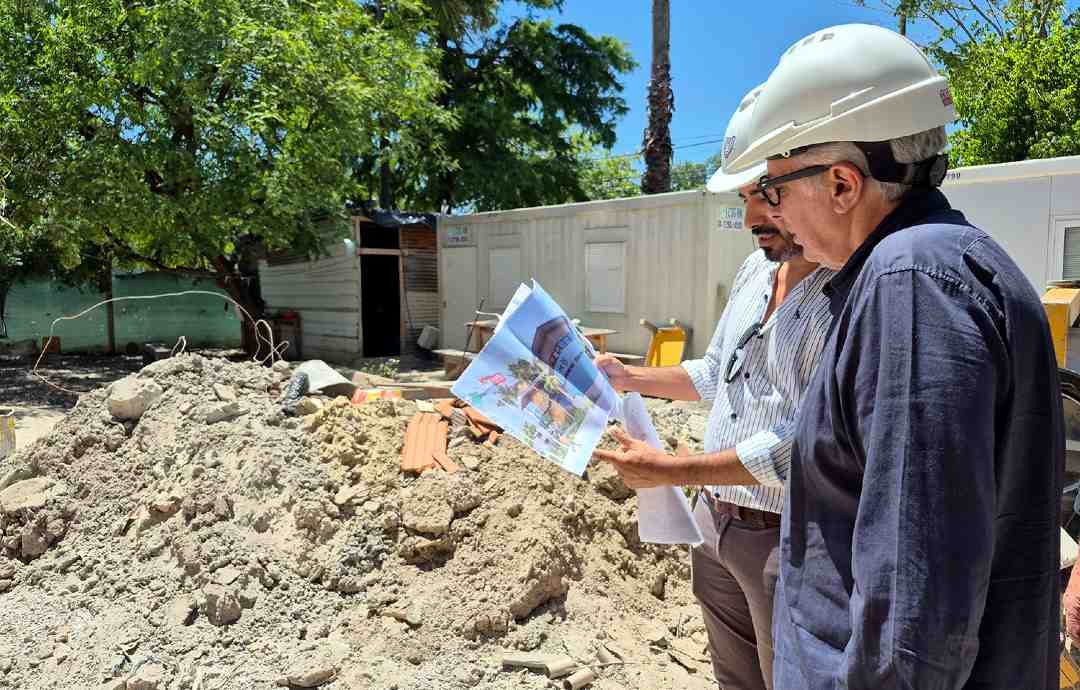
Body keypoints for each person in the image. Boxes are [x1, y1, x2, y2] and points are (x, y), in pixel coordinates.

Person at [719, 23, 1063, 689]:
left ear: (843, 184)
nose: (773, 213)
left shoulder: (911, 282)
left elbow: (914, 621)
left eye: (777, 188)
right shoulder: (935, 267)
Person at [593, 85, 834, 690]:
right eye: (746, 198)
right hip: (715, 525)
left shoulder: (850, 291)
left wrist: (674, 471)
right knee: (735, 677)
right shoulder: (756, 269)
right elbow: (716, 372)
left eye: (765, 196)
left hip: (786, 536)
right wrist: (629, 377)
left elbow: (800, 444)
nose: (752, 219)